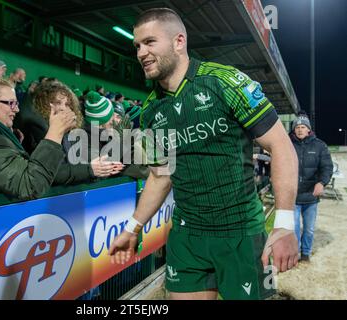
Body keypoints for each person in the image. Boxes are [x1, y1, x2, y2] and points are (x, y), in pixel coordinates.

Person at [109, 8, 299, 300]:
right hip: (187, 237)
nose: (141, 52)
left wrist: (285, 225)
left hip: (241, 233)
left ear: (179, 42)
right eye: (137, 46)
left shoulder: (226, 81)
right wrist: (133, 227)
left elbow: (281, 146)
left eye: (149, 42)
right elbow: (160, 177)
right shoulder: (148, 114)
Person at [30, 81, 124, 184]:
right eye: (57, 103)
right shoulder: (37, 128)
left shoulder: (73, 132)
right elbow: (46, 173)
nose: (63, 108)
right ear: (43, 104)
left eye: (67, 104)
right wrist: (90, 169)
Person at [290, 114, 333, 262]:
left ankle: (306, 253)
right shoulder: (288, 144)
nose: (300, 130)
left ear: (309, 130)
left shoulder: (320, 145)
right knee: (294, 229)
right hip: (293, 196)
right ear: (294, 130)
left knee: (308, 229)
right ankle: (295, 253)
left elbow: (327, 167)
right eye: (297, 127)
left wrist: (322, 183)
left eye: (303, 127)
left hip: (311, 197)